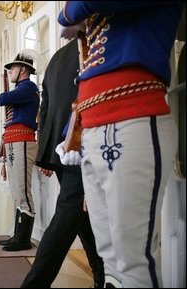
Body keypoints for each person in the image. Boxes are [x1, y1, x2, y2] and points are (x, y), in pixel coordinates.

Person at [58, 2, 184, 287]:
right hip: (95, 125)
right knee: (109, 257)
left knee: (133, 260)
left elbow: (74, 11)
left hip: (133, 117)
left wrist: (68, 14)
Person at [21, 39, 104, 288]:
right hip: (81, 146)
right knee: (69, 216)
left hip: (61, 148)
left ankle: (100, 276)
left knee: (81, 217)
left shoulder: (57, 57)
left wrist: (47, 153)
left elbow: (45, 111)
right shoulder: (92, 46)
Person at [0, 50, 40, 251]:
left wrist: (5, 95)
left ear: (23, 69)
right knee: (16, 192)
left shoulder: (28, 87)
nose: (10, 71)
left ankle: (23, 239)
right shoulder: (22, 89)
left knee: (22, 191)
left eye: (13, 68)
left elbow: (0, 99)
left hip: (22, 140)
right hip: (14, 140)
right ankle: (17, 235)